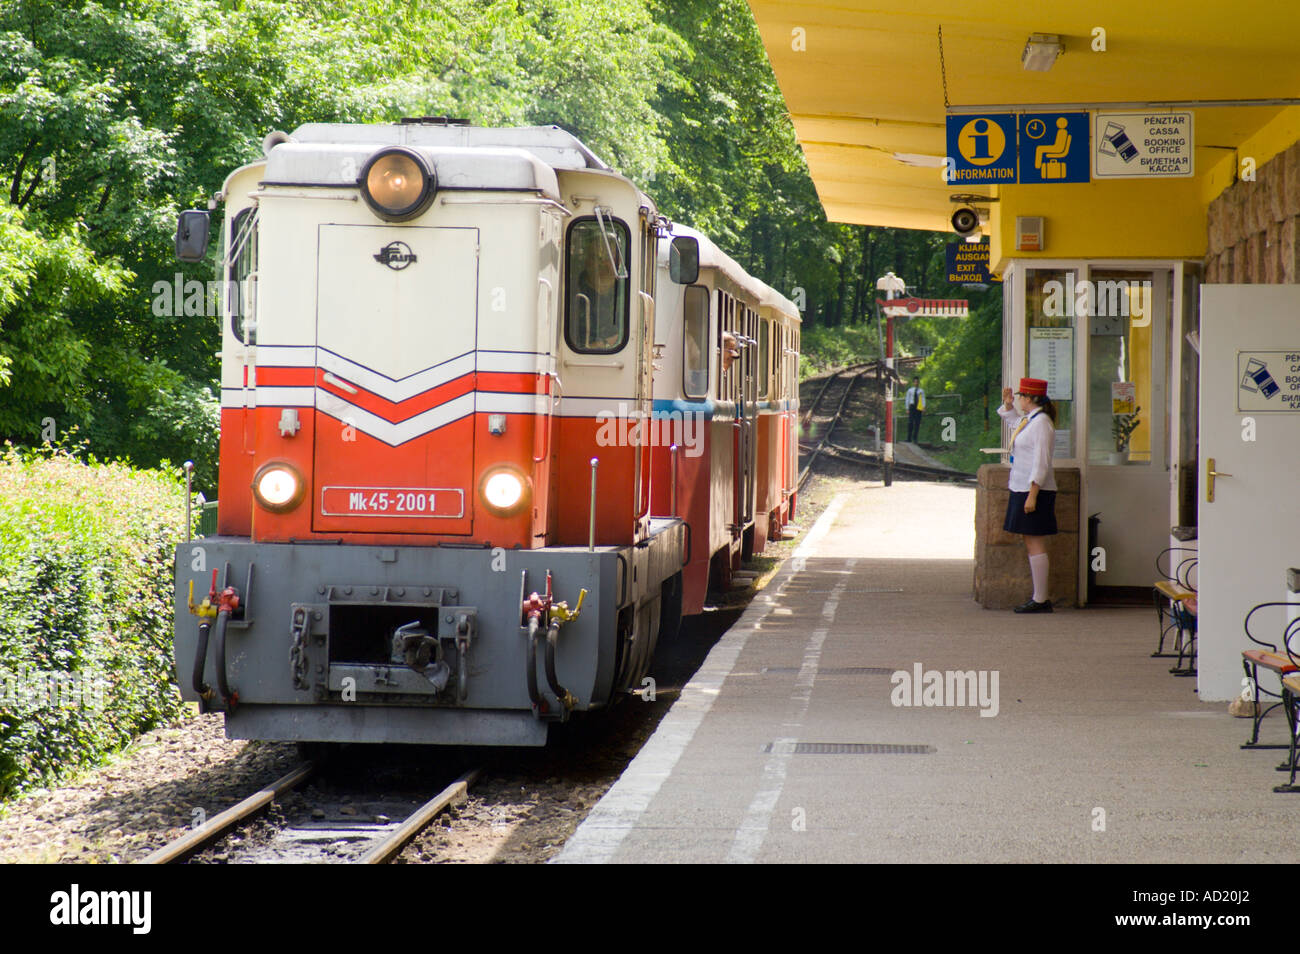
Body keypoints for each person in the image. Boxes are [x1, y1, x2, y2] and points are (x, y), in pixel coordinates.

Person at [997, 377, 1058, 613]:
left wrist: (1033, 494)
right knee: (1030, 540)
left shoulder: (1042, 423)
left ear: (1031, 398)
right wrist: (1008, 406)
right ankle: (1039, 597)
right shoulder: (1031, 420)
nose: (1019, 399)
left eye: (1021, 396)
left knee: (1035, 541)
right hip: (1023, 487)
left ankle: (1041, 599)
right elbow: (1017, 428)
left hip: (1034, 490)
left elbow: (1041, 461)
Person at [905, 376, 925, 442]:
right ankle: (909, 438)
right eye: (915, 382)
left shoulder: (921, 391)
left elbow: (923, 399)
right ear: (913, 382)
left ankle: (915, 438)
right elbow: (907, 399)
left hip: (918, 407)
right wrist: (907, 408)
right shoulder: (910, 390)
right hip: (912, 406)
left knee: (917, 423)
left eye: (917, 382)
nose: (916, 383)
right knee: (910, 422)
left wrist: (923, 407)